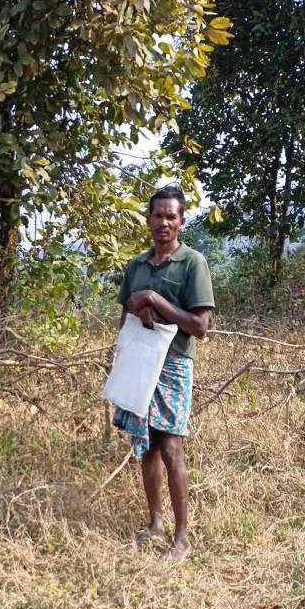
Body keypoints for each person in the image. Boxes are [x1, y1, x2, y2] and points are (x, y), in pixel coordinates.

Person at [114, 185, 214, 562]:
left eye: (171, 216)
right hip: (139, 362)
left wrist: (155, 300)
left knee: (171, 448)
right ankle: (156, 523)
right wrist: (137, 316)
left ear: (181, 221)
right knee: (147, 446)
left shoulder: (192, 263)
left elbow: (199, 327)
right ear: (148, 220)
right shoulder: (136, 266)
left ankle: (181, 538)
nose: (164, 222)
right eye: (158, 215)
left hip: (174, 365)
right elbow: (125, 313)